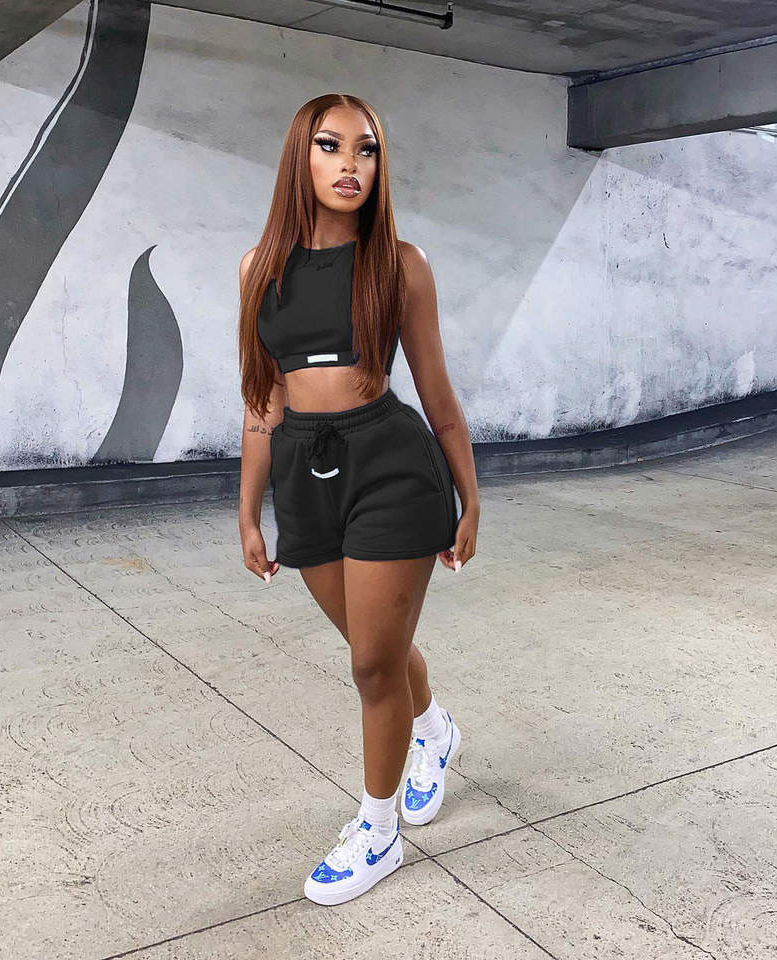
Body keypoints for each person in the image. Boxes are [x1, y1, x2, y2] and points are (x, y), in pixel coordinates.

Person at [236, 93, 480, 907]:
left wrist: (470, 495)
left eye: (366, 149)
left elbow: (437, 391)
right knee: (377, 643)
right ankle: (434, 730)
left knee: (372, 662)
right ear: (299, 157)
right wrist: (248, 510)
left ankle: (378, 833)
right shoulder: (258, 270)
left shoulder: (400, 266)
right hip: (303, 473)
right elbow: (263, 402)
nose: (350, 164)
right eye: (331, 146)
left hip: (391, 466)